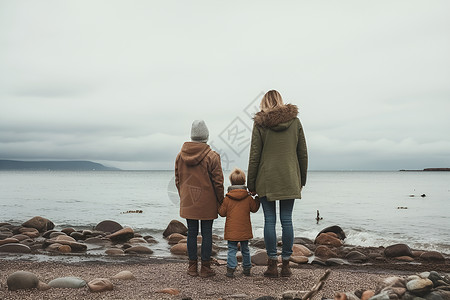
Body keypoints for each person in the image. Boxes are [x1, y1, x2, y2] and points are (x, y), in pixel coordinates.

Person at [247, 90, 308, 278]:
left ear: (263, 103)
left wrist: (251, 183)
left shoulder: (260, 125)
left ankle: (272, 265)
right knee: (287, 219)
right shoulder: (295, 122)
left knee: (269, 221)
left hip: (266, 178)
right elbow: (302, 153)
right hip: (289, 177)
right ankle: (287, 265)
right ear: (281, 102)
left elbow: (254, 155)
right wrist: (302, 179)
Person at [175, 120, 224, 277]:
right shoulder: (212, 156)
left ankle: (191, 267)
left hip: (188, 201)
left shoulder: (180, 156)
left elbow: (178, 180)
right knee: (207, 233)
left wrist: (184, 196)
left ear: (192, 136)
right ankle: (205, 268)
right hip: (207, 202)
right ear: (206, 136)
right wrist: (221, 200)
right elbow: (218, 182)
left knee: (191, 233)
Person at [218, 168, 260, 278]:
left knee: (231, 249)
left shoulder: (227, 198)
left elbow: (222, 213)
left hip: (231, 230)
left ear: (231, 182)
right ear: (244, 181)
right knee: (245, 249)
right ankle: (246, 268)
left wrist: (219, 204)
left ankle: (231, 269)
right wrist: (257, 199)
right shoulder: (248, 197)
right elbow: (254, 208)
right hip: (244, 229)